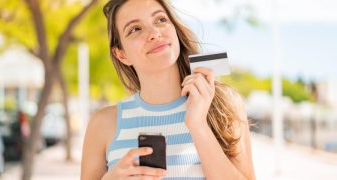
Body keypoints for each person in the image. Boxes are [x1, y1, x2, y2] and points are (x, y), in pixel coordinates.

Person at [81, 0, 255, 179]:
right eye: (135, 29)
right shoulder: (102, 124)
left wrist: (198, 125)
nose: (154, 33)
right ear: (121, 54)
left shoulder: (224, 106)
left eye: (160, 20)